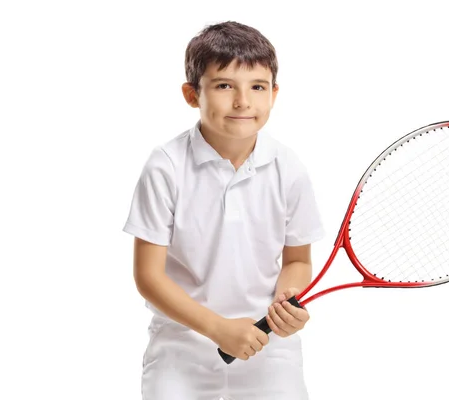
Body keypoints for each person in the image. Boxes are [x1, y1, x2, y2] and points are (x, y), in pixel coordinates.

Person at [122, 20, 325, 400]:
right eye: (224, 85)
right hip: (181, 346)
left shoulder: (289, 167)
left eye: (257, 87)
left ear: (274, 94)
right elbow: (149, 278)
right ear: (191, 94)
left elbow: (297, 260)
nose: (243, 101)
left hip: (269, 347)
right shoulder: (165, 166)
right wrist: (218, 329)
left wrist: (287, 300)